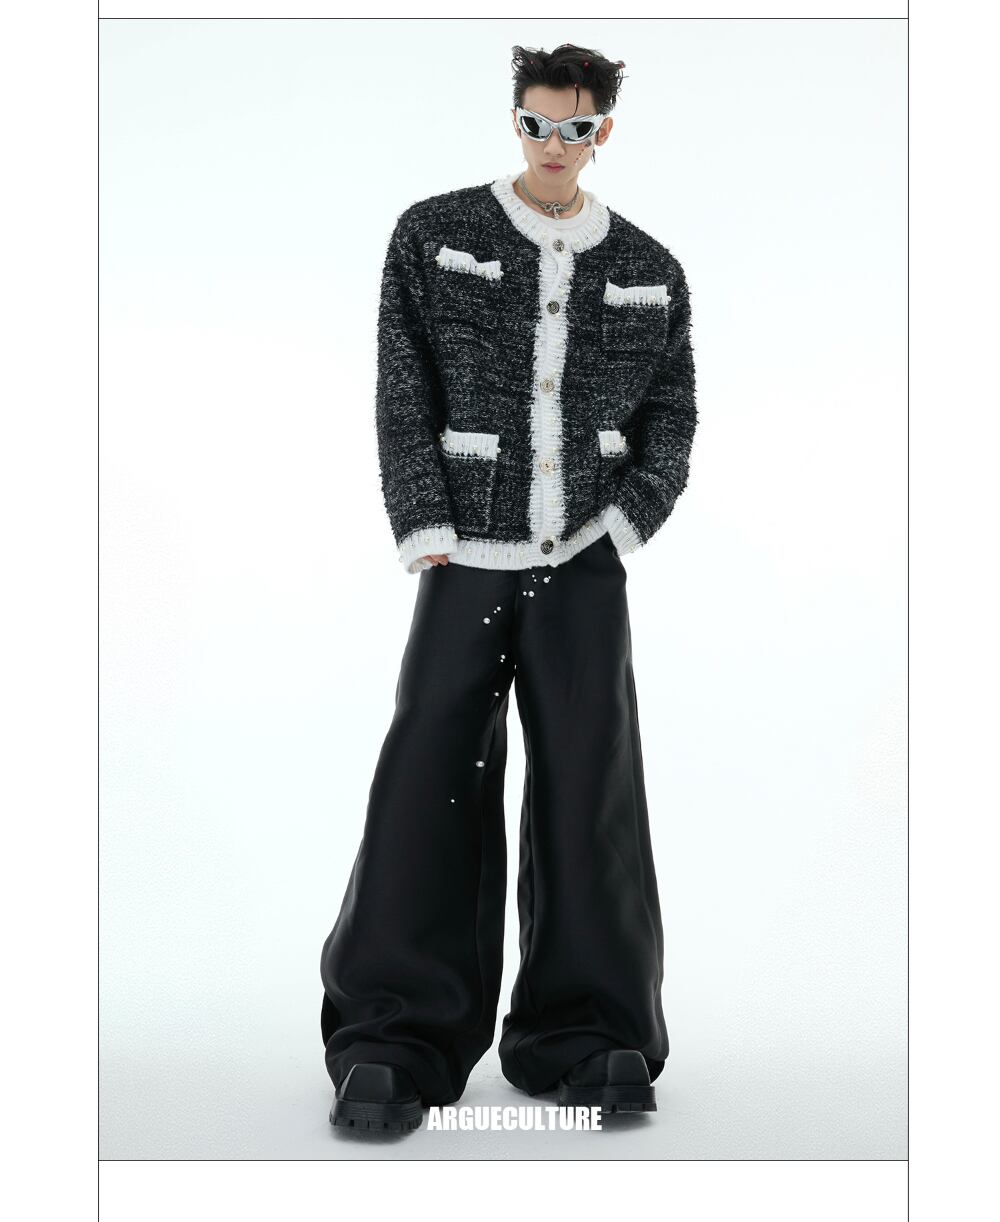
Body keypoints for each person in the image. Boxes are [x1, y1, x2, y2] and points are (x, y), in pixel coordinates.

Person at [319, 42, 698, 1133]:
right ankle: (395, 1036)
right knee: (428, 779)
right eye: (535, 124)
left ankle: (586, 1033)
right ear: (515, 120)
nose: (552, 145)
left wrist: (626, 519)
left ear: (601, 132)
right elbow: (402, 383)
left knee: (589, 788)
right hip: (462, 557)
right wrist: (424, 520)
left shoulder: (651, 265)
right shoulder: (434, 233)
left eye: (573, 129)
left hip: (582, 562)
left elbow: (673, 411)